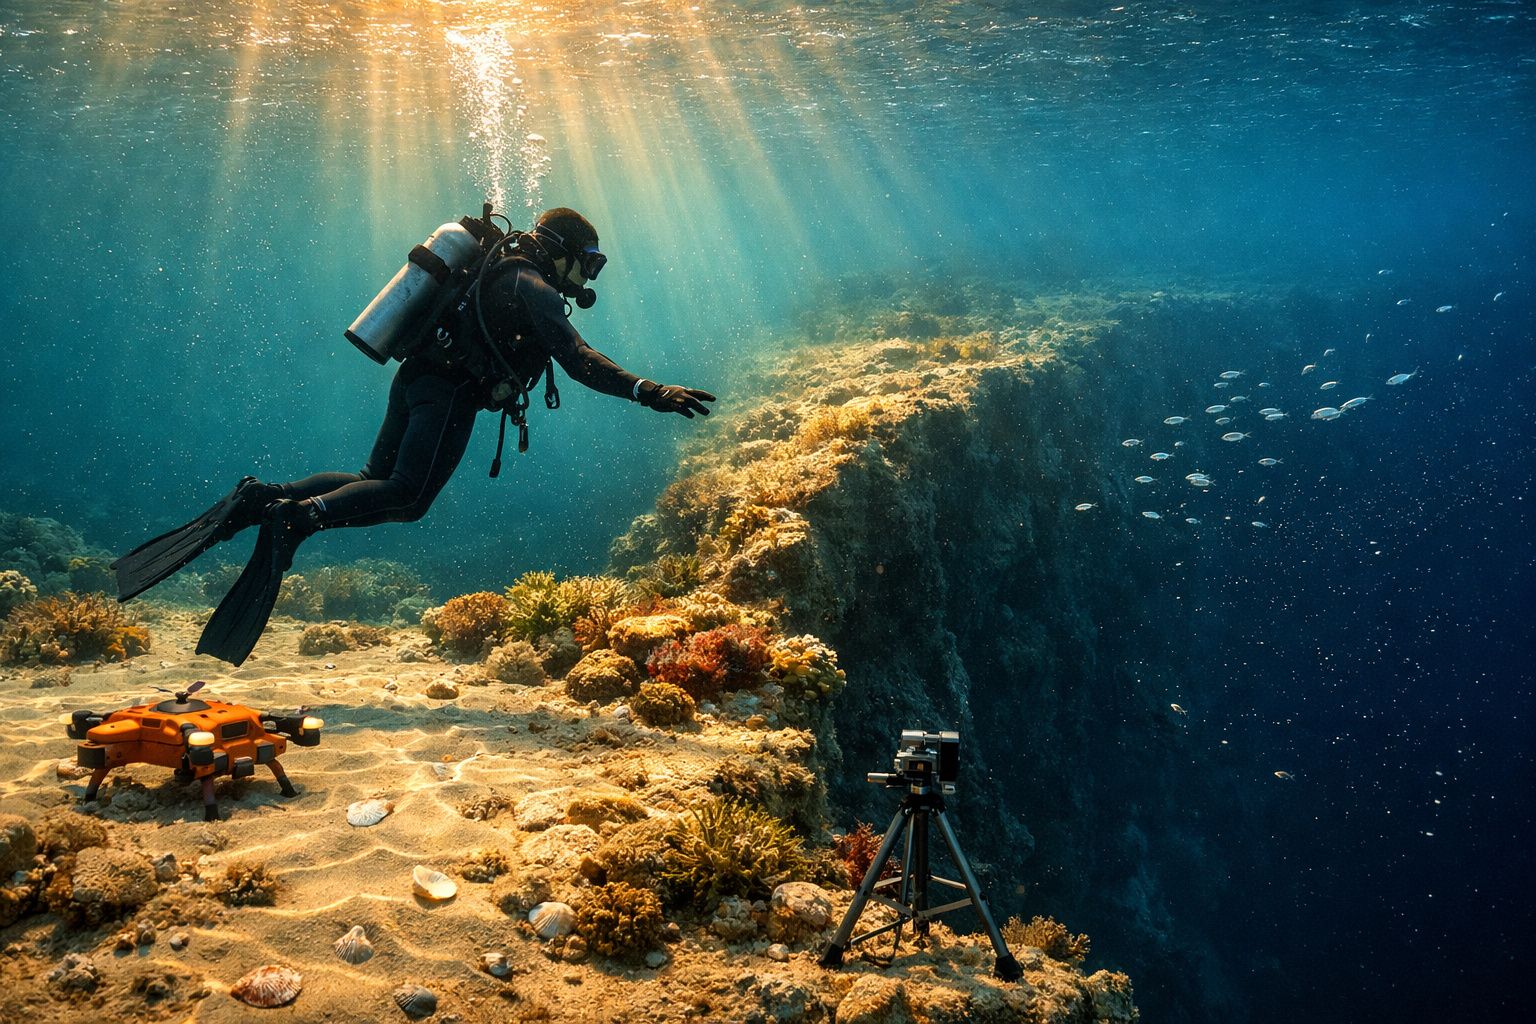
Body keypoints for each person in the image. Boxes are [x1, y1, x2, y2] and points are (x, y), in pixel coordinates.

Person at [113, 206, 715, 665]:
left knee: (377, 480)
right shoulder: (529, 284)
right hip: (448, 392)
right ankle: (294, 519)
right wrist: (650, 391)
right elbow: (578, 357)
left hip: (416, 379)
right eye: (588, 261)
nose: (588, 275)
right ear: (559, 251)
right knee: (406, 496)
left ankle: (260, 498)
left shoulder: (500, 269)